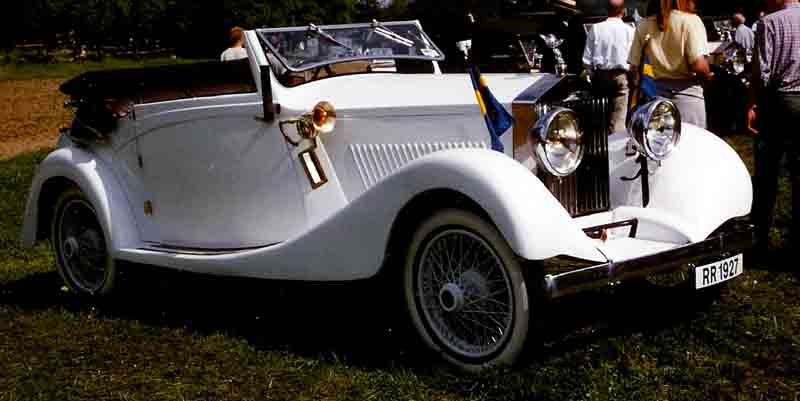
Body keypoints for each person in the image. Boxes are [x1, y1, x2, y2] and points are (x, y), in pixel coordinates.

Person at [747, 0, 800, 258]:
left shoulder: (768, 23)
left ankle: (759, 236)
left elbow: (761, 72)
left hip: (779, 100)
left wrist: (754, 102)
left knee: (767, 172)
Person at [628, 0, 712, 128]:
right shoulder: (691, 21)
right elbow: (699, 65)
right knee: (692, 143)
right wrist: (708, 75)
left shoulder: (644, 25)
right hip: (688, 94)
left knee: (664, 143)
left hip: (658, 96)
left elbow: (634, 68)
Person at [582, 0, 635, 134]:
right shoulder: (630, 31)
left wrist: (590, 74)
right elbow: (634, 60)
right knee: (618, 120)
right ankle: (616, 151)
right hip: (620, 78)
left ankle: (599, 149)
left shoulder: (595, 28)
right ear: (623, 12)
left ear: (607, 10)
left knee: (599, 119)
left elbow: (587, 59)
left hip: (599, 77)